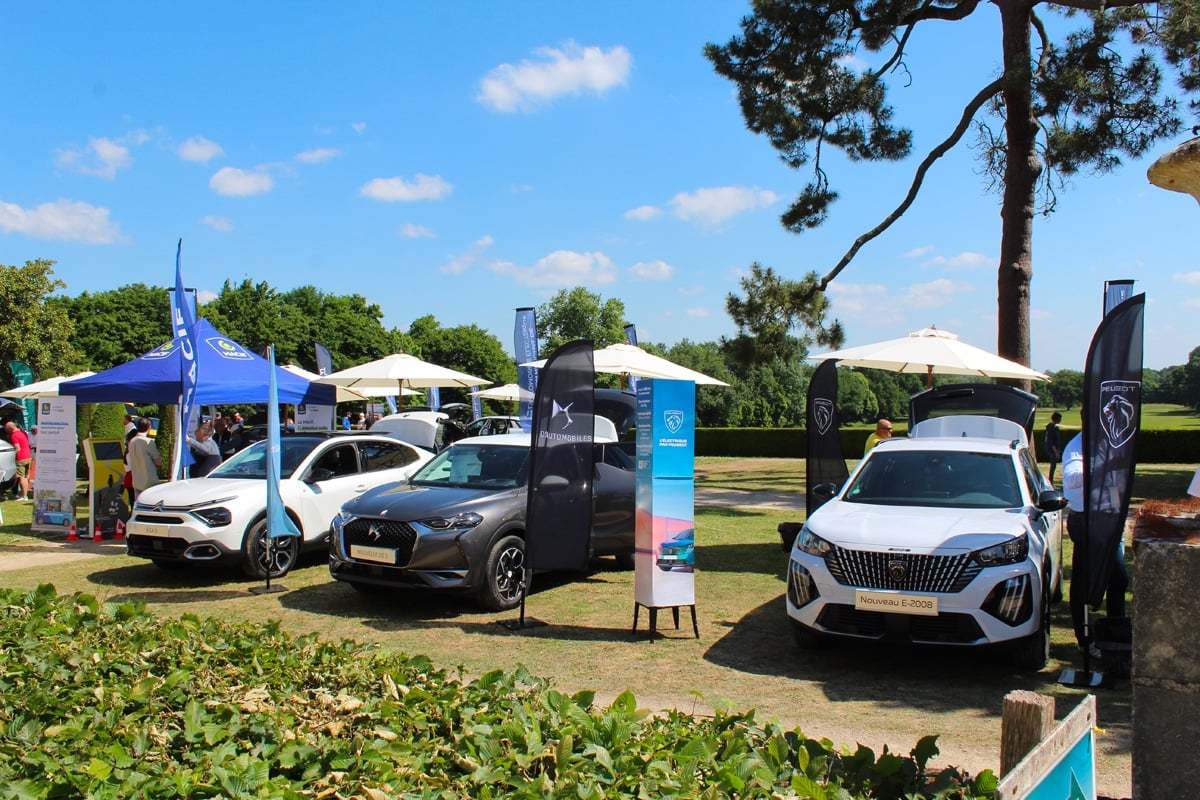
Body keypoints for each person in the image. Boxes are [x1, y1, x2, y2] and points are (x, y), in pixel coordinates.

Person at [1061, 426, 1129, 657]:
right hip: (1086, 521)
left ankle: (1115, 636)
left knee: (1118, 579)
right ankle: (1085, 640)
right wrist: (1103, 467)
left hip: (1110, 518)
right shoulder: (1077, 446)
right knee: (1083, 581)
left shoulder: (1112, 441)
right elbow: (1070, 479)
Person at [126, 417, 162, 503]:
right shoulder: (148, 442)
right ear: (149, 428)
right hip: (149, 481)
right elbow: (158, 461)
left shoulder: (132, 441)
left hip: (136, 480)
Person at [3, 421, 33, 501]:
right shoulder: (23, 432)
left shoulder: (14, 435)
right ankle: (25, 495)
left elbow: (17, 448)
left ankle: (24, 496)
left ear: (10, 428)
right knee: (26, 477)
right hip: (28, 456)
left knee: (21, 477)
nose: (6, 430)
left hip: (21, 458)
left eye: (6, 429)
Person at [1045, 412, 1063, 484]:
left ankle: (1051, 480)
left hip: (1051, 448)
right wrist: (1056, 452)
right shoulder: (1052, 428)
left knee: (1053, 465)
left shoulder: (1051, 427)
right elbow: (1052, 442)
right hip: (1052, 449)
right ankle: (1050, 480)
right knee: (1053, 465)